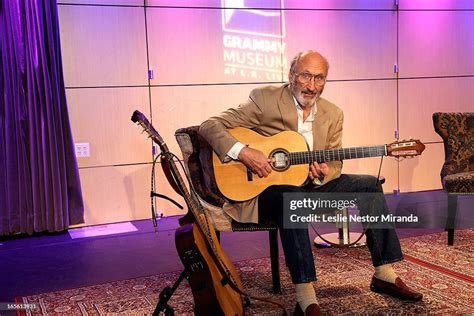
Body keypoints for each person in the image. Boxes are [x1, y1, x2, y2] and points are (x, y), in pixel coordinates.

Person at [199, 50, 422, 315]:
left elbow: (336, 162)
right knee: (290, 198)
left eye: (319, 78)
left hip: (310, 187)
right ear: (292, 75)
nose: (312, 85)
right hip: (266, 191)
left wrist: (325, 172)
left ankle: (384, 273)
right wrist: (244, 153)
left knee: (369, 185)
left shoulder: (333, 113)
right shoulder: (265, 100)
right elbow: (210, 126)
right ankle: (306, 298)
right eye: (306, 76)